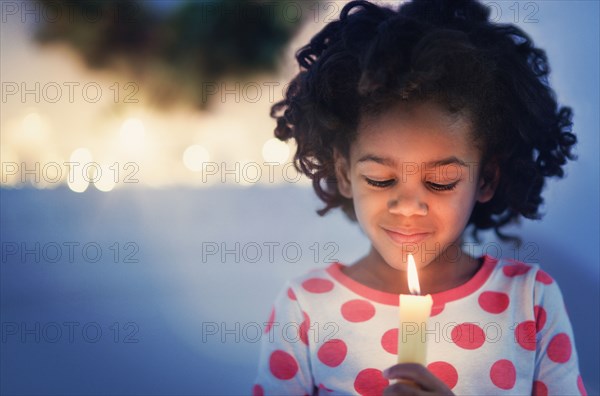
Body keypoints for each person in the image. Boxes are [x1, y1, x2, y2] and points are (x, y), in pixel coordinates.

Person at [253, 0, 586, 394]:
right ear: (344, 173)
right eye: (379, 179)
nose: (408, 205)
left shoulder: (531, 302)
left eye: (441, 181)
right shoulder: (305, 309)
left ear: (486, 179)